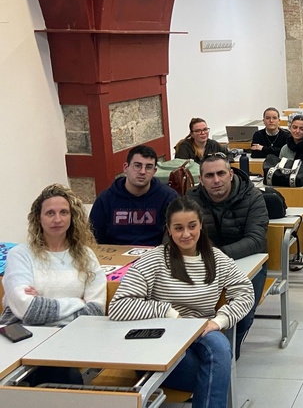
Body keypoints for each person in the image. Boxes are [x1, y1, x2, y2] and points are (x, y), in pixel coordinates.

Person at [109, 197, 255, 408]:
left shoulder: (216, 258)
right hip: (160, 337)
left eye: (192, 226)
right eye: (178, 228)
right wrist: (168, 312)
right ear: (168, 229)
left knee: (220, 348)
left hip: (199, 331)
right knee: (214, 373)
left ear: (201, 226)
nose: (186, 234)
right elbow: (120, 306)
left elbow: (245, 291)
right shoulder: (154, 260)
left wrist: (220, 320)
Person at [1, 184, 106, 386]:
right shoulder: (20, 255)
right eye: (50, 213)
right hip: (25, 339)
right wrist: (78, 302)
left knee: (64, 378)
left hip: (71, 338)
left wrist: (43, 302)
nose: (57, 219)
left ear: (72, 217)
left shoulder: (86, 255)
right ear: (38, 218)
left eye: (63, 212)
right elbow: (28, 309)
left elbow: (96, 310)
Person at [187, 154, 268, 358]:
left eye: (221, 173)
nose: (216, 180)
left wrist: (216, 256)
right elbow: (172, 236)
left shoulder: (252, 196)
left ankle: (232, 349)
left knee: (243, 312)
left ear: (231, 174)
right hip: (201, 264)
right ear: (201, 178)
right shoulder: (190, 200)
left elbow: (256, 239)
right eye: (209, 175)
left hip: (248, 263)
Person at [90, 145, 179, 246]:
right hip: (115, 256)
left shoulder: (169, 197)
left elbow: (174, 234)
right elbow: (94, 236)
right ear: (125, 168)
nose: (142, 172)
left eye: (148, 167)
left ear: (154, 171)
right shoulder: (105, 199)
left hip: (155, 256)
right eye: (137, 165)